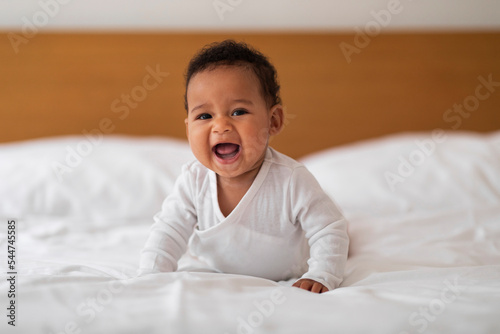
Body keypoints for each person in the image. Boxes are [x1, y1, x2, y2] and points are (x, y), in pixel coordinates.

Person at [139, 40, 349, 293]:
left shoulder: (291, 179)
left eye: (238, 111)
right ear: (188, 128)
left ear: (273, 120)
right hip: (216, 270)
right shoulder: (193, 181)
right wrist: (149, 276)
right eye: (204, 116)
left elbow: (329, 229)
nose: (220, 126)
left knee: (341, 230)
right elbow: (168, 232)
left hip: (290, 269)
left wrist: (323, 273)